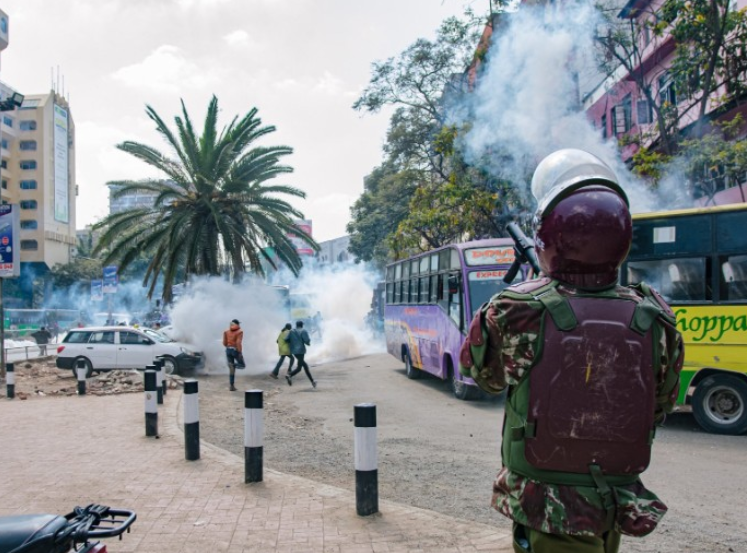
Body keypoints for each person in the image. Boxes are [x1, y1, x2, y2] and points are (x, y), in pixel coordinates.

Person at [459, 149, 684, 553]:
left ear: (547, 237)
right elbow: (663, 401)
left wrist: (528, 294)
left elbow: (484, 377)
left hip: (547, 502)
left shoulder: (517, 310)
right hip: (614, 498)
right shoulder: (655, 315)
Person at [285, 320, 315, 388]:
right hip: (300, 351)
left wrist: (292, 342)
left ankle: (313, 382)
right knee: (299, 368)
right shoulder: (303, 331)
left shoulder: (291, 331)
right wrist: (307, 343)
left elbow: (286, 339)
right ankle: (289, 375)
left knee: (304, 366)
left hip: (294, 352)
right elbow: (307, 341)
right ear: (302, 325)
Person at [222, 319, 245, 391]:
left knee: (231, 370)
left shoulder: (226, 332)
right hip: (235, 350)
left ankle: (231, 386)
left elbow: (224, 343)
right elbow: (238, 342)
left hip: (228, 350)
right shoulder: (239, 332)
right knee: (242, 365)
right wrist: (240, 352)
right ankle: (234, 365)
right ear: (237, 324)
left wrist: (228, 346)